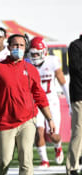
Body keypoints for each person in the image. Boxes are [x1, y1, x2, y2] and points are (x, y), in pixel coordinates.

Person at [0, 34, 55, 175]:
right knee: (4, 160)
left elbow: (40, 96)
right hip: (5, 122)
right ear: (8, 47)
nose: (18, 48)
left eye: (21, 45)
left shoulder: (31, 70)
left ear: (25, 48)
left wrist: (50, 119)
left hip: (28, 121)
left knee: (26, 159)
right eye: (15, 45)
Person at [28, 37, 70, 168]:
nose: (34, 56)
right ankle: (44, 160)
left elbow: (62, 81)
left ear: (44, 52)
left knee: (53, 135)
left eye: (37, 53)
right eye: (32, 53)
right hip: (36, 102)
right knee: (38, 131)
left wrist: (69, 102)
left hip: (51, 101)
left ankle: (58, 147)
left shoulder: (52, 61)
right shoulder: (27, 64)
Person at [66, 34, 82, 175]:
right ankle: (72, 168)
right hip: (80, 94)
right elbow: (77, 69)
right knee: (79, 131)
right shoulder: (76, 45)